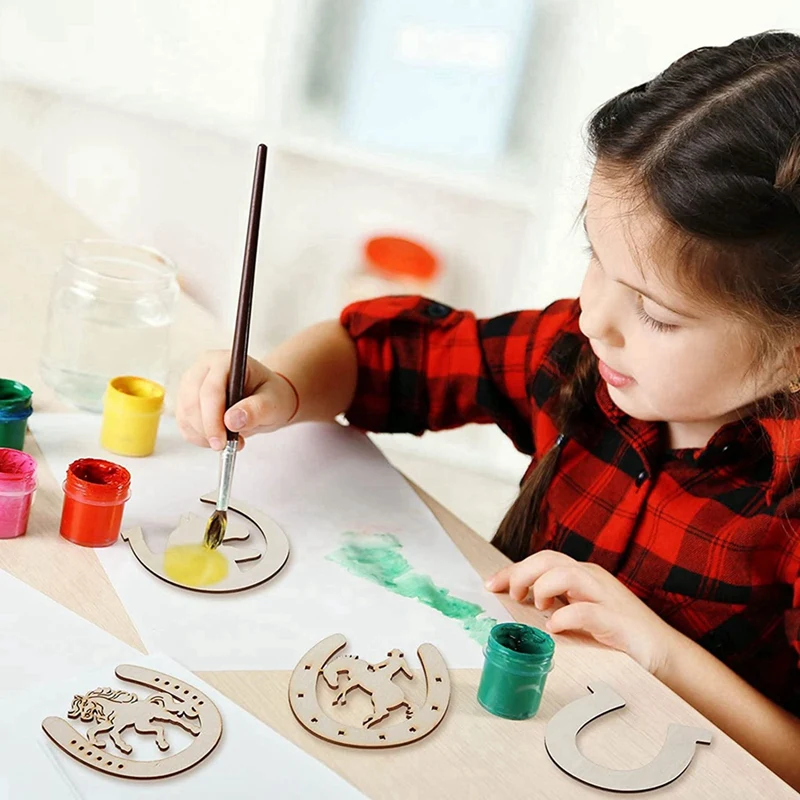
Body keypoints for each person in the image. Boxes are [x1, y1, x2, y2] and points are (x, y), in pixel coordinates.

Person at [177, 31, 800, 786]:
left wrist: (660, 652)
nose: (595, 317)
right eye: (595, 259)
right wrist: (283, 382)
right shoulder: (584, 357)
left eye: (657, 314)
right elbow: (382, 356)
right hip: (478, 747)